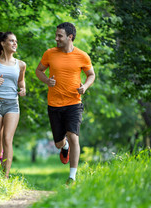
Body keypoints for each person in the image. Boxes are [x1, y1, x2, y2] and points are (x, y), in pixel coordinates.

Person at [35, 22, 95, 184]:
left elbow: (91, 75)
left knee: (74, 136)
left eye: (59, 36)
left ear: (70, 37)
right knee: (58, 143)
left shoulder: (82, 56)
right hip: (54, 104)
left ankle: (72, 176)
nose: (56, 39)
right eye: (56, 35)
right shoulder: (50, 53)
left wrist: (85, 86)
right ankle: (64, 146)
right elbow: (38, 71)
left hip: (74, 103)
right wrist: (47, 80)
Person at [0, 31, 26, 178]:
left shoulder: (20, 64)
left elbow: (21, 81)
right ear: (3, 43)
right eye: (11, 41)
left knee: (7, 139)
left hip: (12, 105)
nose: (15, 44)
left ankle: (5, 177)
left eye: (16, 41)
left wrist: (23, 89)